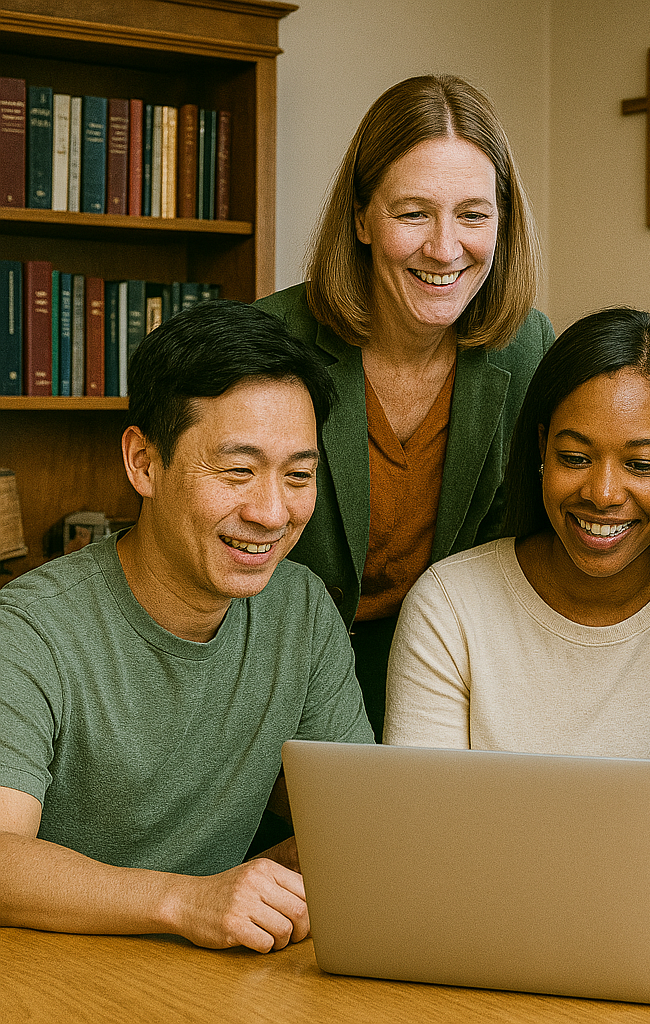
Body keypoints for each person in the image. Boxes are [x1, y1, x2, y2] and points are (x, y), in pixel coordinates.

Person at [0, 301, 373, 952]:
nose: (271, 511)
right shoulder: (30, 629)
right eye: (237, 471)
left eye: (299, 476)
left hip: (211, 980)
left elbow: (353, 820)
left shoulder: (304, 611)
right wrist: (186, 900)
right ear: (143, 462)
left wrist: (276, 885)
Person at [256, 75, 554, 740]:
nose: (445, 248)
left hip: (458, 689)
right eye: (413, 213)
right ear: (361, 217)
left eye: (473, 215)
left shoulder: (531, 347)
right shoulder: (265, 342)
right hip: (280, 695)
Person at [384, 308, 650, 757]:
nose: (603, 494)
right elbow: (423, 814)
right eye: (574, 457)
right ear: (541, 448)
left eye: (641, 465)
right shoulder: (450, 605)